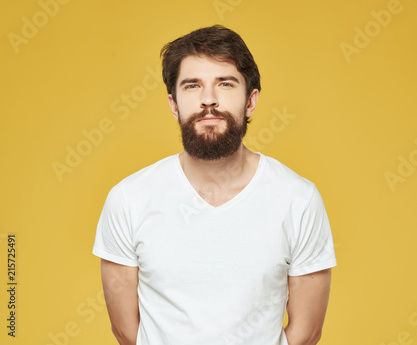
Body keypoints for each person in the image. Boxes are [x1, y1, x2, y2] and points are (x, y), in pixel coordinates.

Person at [92, 24, 337, 345]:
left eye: (225, 83)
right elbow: (126, 331)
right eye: (192, 85)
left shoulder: (299, 199)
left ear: (250, 101)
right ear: (174, 103)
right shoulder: (128, 199)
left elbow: (306, 333)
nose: (209, 99)